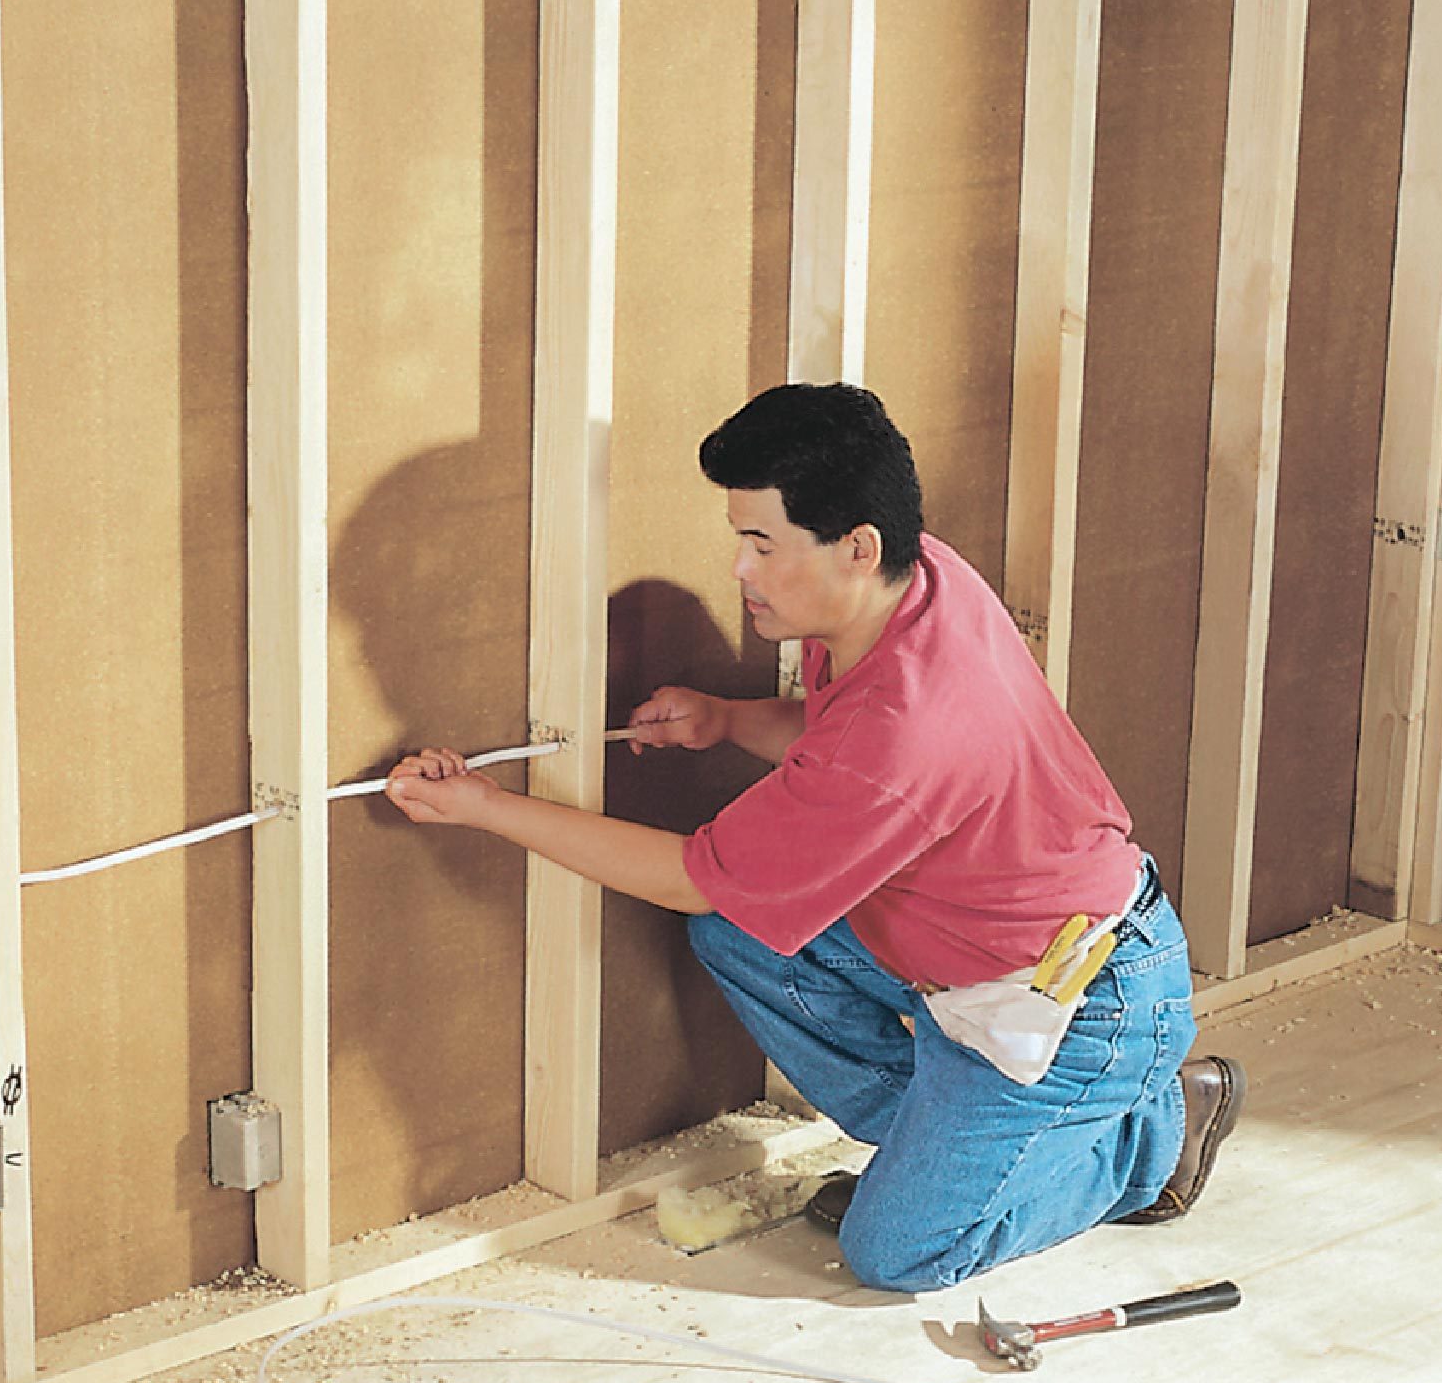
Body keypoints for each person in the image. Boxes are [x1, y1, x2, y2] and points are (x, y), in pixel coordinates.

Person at [383, 381, 1242, 1291]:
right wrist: (728, 718)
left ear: (857, 547)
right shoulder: (915, 588)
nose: (741, 571)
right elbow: (844, 744)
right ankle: (950, 1151)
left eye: (762, 545)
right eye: (739, 541)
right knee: (744, 937)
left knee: (899, 1251)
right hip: (995, 963)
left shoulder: (906, 729)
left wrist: (486, 809)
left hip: (1080, 1005)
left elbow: (692, 873)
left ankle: (1156, 1139)